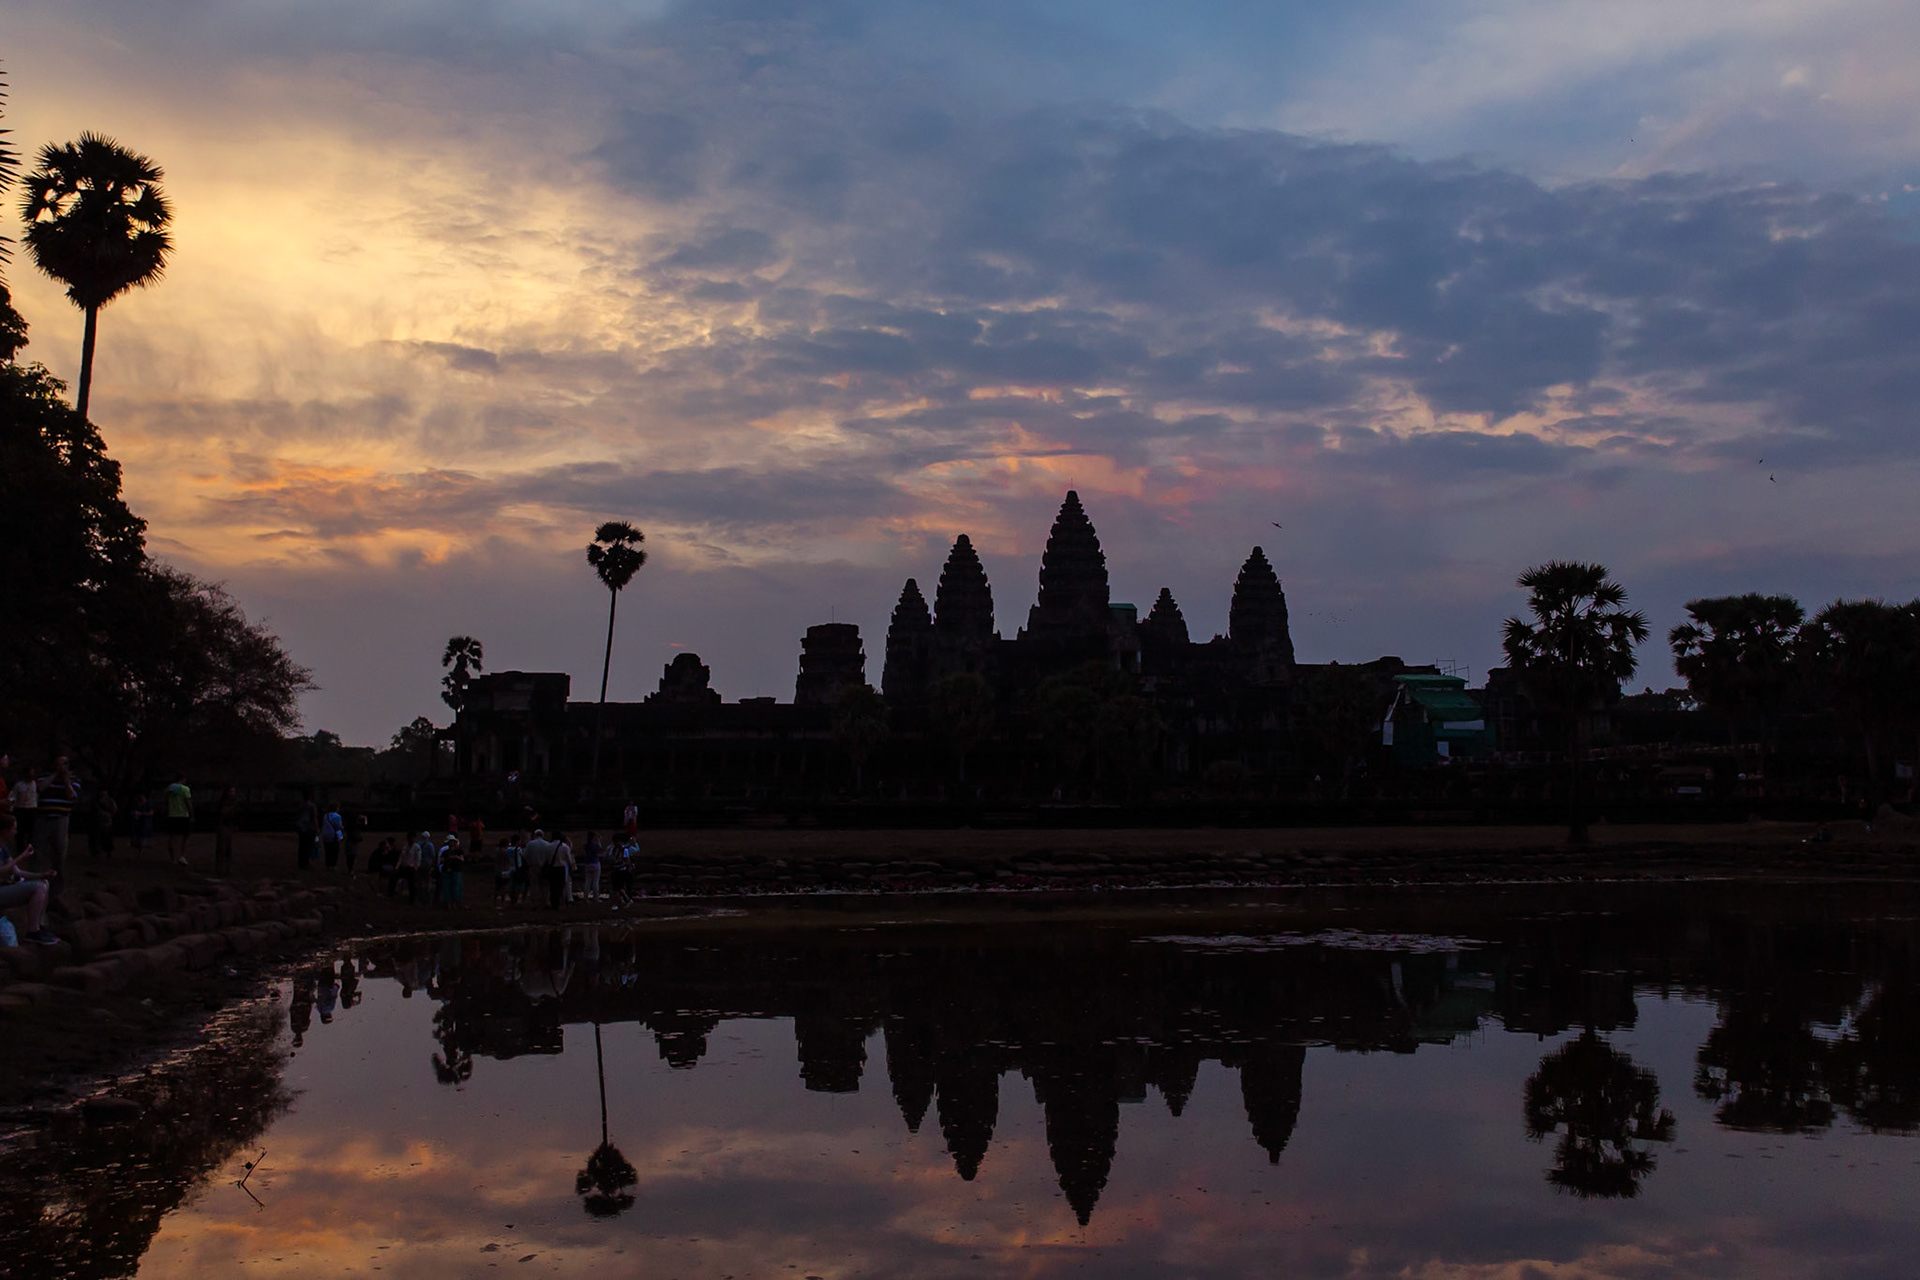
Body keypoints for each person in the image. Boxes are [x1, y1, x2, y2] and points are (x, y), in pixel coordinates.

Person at [0, 815, 60, 945]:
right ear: (4, 830)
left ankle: (38, 926)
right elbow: (2, 871)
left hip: (4, 888)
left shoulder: (3, 848)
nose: (15, 832)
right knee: (38, 888)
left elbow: (17, 872)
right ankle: (32, 931)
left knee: (43, 883)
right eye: (13, 829)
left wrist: (41, 875)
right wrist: (22, 856)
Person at [34, 757, 79, 875]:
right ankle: (35, 878)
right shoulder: (44, 777)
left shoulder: (74, 779)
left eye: (63, 764)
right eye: (58, 764)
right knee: (38, 850)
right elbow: (40, 788)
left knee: (59, 851)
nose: (61, 767)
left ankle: (57, 882)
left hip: (61, 818)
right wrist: (55, 775)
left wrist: (66, 780)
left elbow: (71, 796)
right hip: (43, 817)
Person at [164, 772, 194, 866]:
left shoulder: (169, 789)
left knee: (172, 837)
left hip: (172, 814)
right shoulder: (185, 789)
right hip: (183, 815)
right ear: (183, 779)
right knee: (186, 835)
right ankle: (182, 855)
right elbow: (188, 802)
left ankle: (173, 858)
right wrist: (191, 814)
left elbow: (166, 802)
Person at [7, 766, 36, 862]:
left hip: (31, 809)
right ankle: (20, 850)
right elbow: (13, 797)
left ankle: (29, 849)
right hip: (21, 809)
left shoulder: (34, 784)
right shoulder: (19, 785)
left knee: (31, 831)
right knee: (20, 831)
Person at [522, 828, 553, 908]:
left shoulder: (530, 844)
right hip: (544, 867)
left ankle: (535, 902)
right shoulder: (547, 844)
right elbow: (550, 857)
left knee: (534, 885)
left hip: (533, 866)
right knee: (545, 886)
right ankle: (545, 901)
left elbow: (525, 855)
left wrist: (529, 863)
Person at [214, 784, 240, 874]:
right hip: (223, 825)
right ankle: (220, 868)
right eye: (231, 791)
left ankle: (227, 868)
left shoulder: (233, 802)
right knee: (222, 847)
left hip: (229, 825)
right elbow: (222, 813)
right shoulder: (225, 802)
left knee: (228, 848)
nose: (233, 793)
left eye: (234, 792)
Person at [89, 787, 117, 860]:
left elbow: (114, 809)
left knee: (107, 837)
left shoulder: (110, 801)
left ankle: (108, 851)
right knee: (96, 837)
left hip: (106, 822)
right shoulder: (96, 801)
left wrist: (109, 815)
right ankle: (96, 851)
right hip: (97, 821)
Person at [438, 832, 465, 908]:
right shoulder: (445, 852)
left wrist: (456, 857)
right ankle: (448, 903)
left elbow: (462, 859)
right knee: (447, 887)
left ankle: (455, 902)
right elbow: (441, 860)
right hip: (447, 870)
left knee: (456, 886)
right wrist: (448, 859)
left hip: (456, 870)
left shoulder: (459, 851)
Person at [294, 789, 318, 871]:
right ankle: (307, 863)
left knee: (302, 845)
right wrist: (316, 828)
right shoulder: (311, 806)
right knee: (309, 846)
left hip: (301, 827)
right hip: (309, 827)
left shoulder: (300, 806)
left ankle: (301, 863)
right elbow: (314, 818)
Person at [550, 831, 574, 908]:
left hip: (552, 867)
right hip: (561, 867)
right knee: (562, 886)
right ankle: (562, 902)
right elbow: (569, 860)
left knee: (553, 886)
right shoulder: (564, 847)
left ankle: (554, 903)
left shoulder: (549, 846)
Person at [320, 801, 345, 871]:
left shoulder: (325, 815)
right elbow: (338, 827)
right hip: (333, 835)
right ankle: (333, 865)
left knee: (327, 850)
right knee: (334, 851)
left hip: (325, 834)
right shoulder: (337, 816)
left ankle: (328, 864)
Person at [579, 831, 602, 902]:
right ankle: (596, 897)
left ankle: (585, 897)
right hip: (595, 863)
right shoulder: (595, 845)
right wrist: (598, 840)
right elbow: (599, 849)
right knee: (595, 881)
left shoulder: (586, 845)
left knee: (588, 881)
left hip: (588, 863)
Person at [132, 791, 155, 855]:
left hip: (145, 822)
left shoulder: (148, 803)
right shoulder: (138, 803)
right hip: (139, 822)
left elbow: (151, 813)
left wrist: (141, 814)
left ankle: (142, 850)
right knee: (138, 836)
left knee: (143, 836)